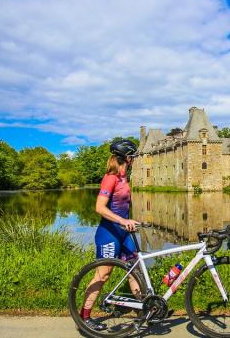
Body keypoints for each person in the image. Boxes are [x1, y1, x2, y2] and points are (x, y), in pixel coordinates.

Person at [80, 139, 141, 330]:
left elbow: (123, 208)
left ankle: (145, 309)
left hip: (124, 233)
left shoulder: (124, 178)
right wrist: (123, 221)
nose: (135, 159)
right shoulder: (111, 177)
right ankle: (84, 316)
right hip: (109, 233)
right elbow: (99, 207)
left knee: (134, 270)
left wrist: (131, 222)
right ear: (127, 158)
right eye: (133, 156)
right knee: (103, 275)